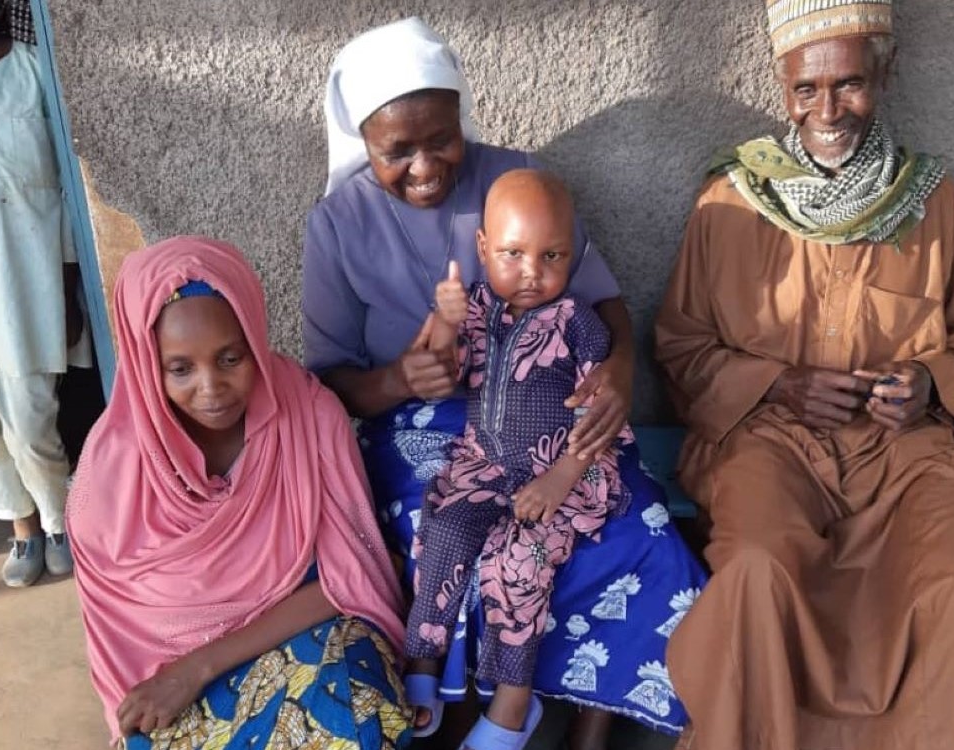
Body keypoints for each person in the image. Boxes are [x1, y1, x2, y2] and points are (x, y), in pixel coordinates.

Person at [303, 17, 707, 747]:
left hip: (557, 414)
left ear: (464, 119)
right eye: (398, 149)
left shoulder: (515, 178)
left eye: (441, 139)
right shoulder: (337, 223)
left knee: (636, 523)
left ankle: (600, 712)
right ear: (364, 140)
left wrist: (617, 371)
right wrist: (396, 380)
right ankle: (465, 703)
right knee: (447, 528)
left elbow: (602, 304)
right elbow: (327, 384)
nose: (425, 165)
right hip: (418, 428)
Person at [655, 2, 954, 748]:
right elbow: (680, 346)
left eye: (850, 84)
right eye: (807, 89)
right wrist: (776, 383)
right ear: (783, 85)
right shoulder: (731, 199)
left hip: (906, 454)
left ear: (886, 74)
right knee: (759, 569)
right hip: (770, 443)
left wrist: (930, 381)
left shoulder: (934, 202)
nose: (827, 110)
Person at [67, 237, 412, 749]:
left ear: (255, 334)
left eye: (232, 358)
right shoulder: (114, 467)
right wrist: (177, 681)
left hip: (296, 639)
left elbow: (357, 572)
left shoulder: (308, 418)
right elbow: (119, 632)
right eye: (180, 369)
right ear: (145, 366)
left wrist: (198, 666)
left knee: (357, 714)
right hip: (169, 685)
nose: (211, 388)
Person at [406, 169, 680, 750]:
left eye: (551, 255)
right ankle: (422, 666)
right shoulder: (478, 311)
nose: (532, 271)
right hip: (484, 465)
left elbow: (595, 413)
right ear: (483, 249)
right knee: (445, 530)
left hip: (564, 472)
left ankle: (510, 708)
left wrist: (561, 479)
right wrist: (445, 319)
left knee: (519, 558)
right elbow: (436, 368)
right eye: (512, 253)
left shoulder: (577, 321)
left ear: (572, 253)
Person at [0, 0, 86, 587]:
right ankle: (22, 530)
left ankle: (59, 519)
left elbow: (68, 187)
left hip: (29, 274)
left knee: (30, 410)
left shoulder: (35, 69)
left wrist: (68, 284)